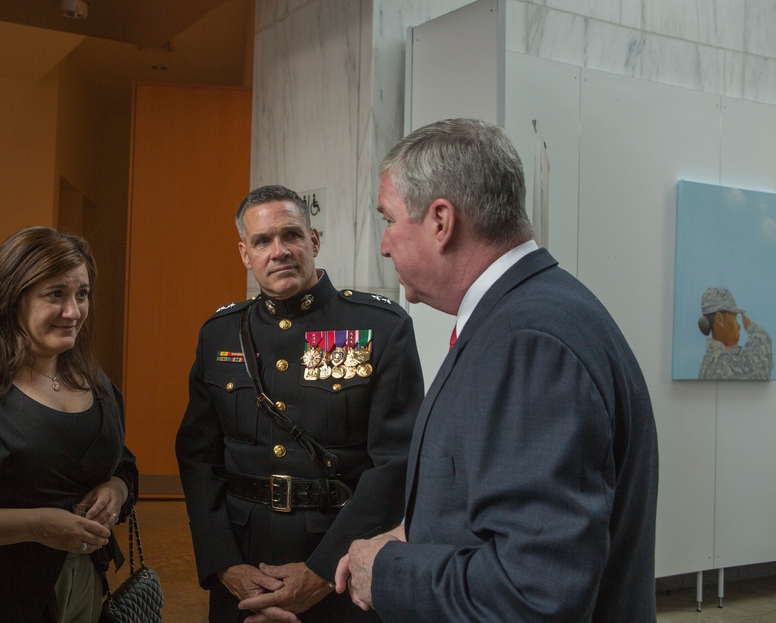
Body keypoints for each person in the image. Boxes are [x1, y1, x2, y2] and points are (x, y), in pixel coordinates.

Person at [335, 119, 659, 621]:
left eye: (389, 219)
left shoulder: (529, 345)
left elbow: (532, 595)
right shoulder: (527, 315)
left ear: (441, 221)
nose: (383, 244)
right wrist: (417, 533)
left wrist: (388, 570)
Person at [176, 184, 424, 622]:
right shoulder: (220, 334)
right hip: (243, 565)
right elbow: (198, 458)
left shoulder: (378, 327)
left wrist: (322, 571)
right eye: (262, 241)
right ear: (244, 253)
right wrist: (223, 563)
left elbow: (396, 462)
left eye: (291, 235)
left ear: (313, 241)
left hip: (343, 561)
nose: (279, 251)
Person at [0, 227, 138, 623]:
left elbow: (123, 465)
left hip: (85, 590)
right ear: (11, 297)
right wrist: (35, 526)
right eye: (55, 295)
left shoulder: (97, 383)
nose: (73, 311)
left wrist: (115, 491)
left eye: (81, 294)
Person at [697, 286, 772, 380]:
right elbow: (760, 370)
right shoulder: (721, 363)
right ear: (720, 319)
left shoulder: (709, 360)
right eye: (735, 318)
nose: (739, 326)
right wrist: (754, 330)